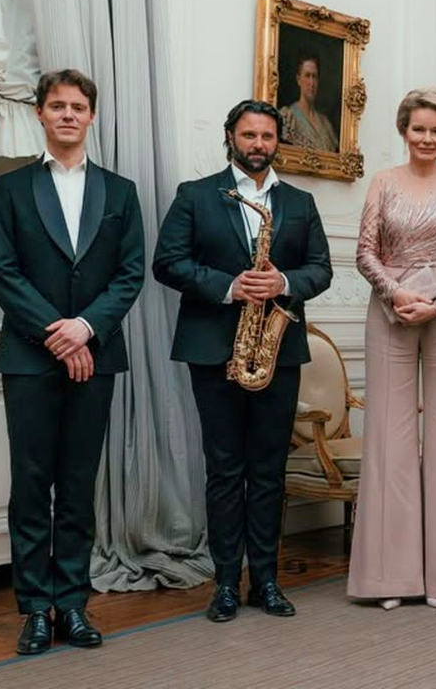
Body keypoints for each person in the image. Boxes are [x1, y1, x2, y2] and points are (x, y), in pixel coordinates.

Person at [0, 68, 145, 655]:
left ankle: (72, 604)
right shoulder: (9, 188)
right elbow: (1, 272)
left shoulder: (121, 192)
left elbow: (130, 273)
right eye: (57, 105)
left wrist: (86, 330)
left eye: (78, 106)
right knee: (31, 485)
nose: (68, 114)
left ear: (92, 116)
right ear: (41, 114)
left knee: (78, 485)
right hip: (28, 359)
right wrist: (59, 334)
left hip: (94, 356)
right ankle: (33, 609)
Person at [153, 99, 333, 623]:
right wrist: (229, 286)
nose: (258, 145)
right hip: (213, 350)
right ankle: (226, 583)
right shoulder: (195, 195)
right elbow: (169, 262)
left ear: (278, 141)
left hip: (277, 351)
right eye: (249, 135)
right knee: (225, 469)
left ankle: (268, 582)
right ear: (231, 136)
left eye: (267, 137)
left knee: (269, 469)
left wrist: (283, 283)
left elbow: (319, 269)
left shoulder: (299, 201)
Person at [347, 87, 436, 609]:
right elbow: (365, 252)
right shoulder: (382, 183)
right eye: (419, 129)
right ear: (403, 131)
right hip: (389, 311)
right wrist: (396, 292)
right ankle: (390, 579)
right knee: (390, 438)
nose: (427, 138)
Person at [279, 50, 340, 152]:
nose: (311, 83)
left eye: (314, 77)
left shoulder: (326, 124)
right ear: (298, 79)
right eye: (307, 76)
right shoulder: (288, 117)